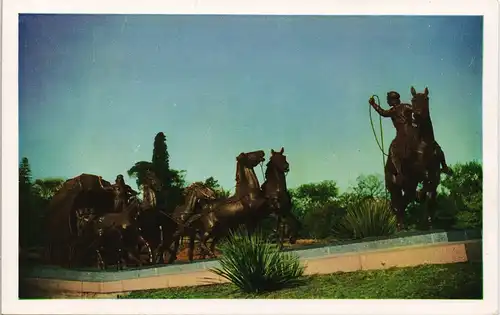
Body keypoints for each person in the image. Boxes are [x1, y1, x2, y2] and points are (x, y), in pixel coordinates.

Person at [369, 91, 414, 185]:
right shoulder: (406, 106)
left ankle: (399, 173)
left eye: (388, 100)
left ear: (393, 100)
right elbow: (415, 110)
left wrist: (373, 104)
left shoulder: (393, 110)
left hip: (402, 135)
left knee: (393, 150)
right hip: (412, 132)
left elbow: (383, 112)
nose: (387, 102)